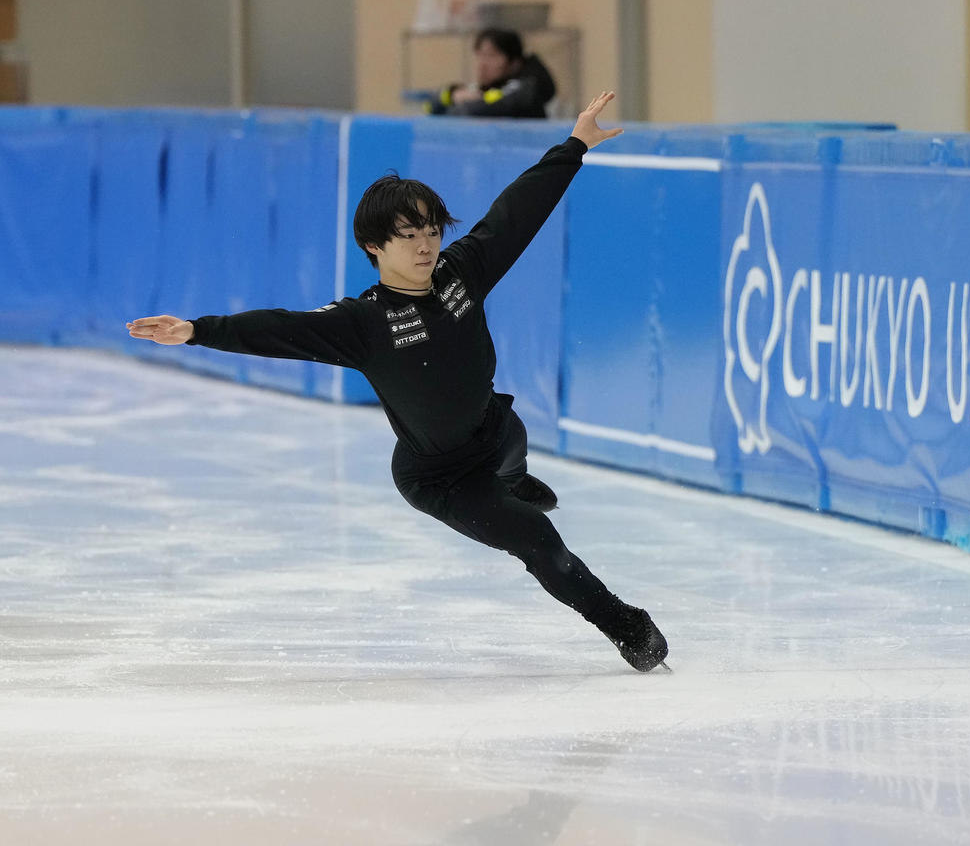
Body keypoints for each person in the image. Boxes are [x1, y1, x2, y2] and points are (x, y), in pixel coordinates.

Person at [126, 92, 671, 674]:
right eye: (408, 234)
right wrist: (195, 330)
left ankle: (511, 480)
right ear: (374, 247)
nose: (425, 243)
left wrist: (575, 145)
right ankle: (629, 629)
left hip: (496, 431)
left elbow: (517, 212)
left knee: (510, 439)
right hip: (439, 477)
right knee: (540, 541)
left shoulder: (463, 271)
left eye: (431, 228)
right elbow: (279, 329)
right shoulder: (362, 324)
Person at [432, 27, 557, 118]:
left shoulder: (525, 91)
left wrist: (476, 99)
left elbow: (475, 110)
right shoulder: (487, 87)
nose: (482, 64)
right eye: (479, 56)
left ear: (514, 63)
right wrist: (453, 94)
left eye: (491, 56)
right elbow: (432, 105)